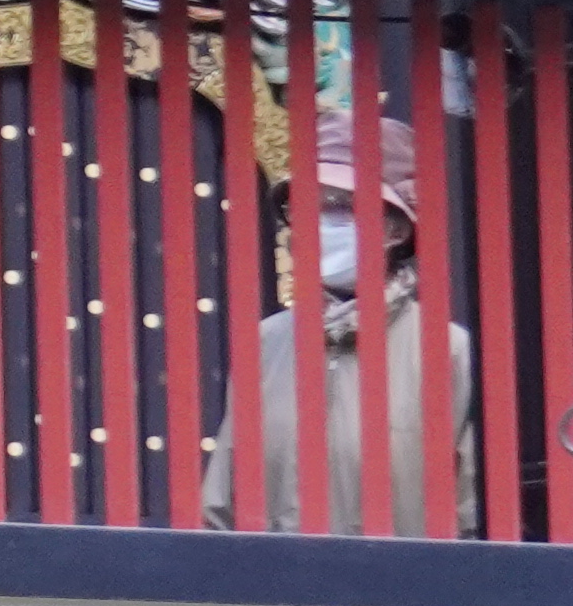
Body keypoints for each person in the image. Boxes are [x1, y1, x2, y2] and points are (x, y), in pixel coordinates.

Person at [203, 122, 480, 536]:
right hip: (277, 590)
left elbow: (469, 502)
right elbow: (223, 498)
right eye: (306, 205)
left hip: (399, 591)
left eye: (340, 205)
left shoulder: (445, 348)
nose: (318, 223)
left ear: (397, 229)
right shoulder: (267, 342)